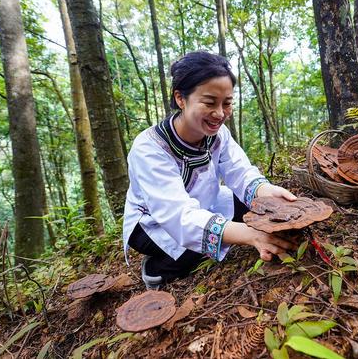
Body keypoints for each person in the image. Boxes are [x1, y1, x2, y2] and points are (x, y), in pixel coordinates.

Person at [122, 51, 297, 289]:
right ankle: (156, 269)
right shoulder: (149, 148)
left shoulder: (218, 134)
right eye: (209, 102)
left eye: (227, 103)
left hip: (203, 201)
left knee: (254, 207)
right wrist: (250, 235)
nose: (220, 113)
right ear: (181, 99)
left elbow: (240, 171)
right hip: (153, 221)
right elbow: (178, 216)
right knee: (194, 251)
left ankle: (218, 232)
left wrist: (266, 191)